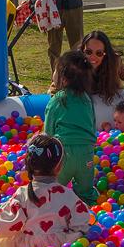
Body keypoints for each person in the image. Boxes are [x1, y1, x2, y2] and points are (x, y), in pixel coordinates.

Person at [0, 133, 92, 247]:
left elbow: (6, 224)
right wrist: (70, 239)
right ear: (59, 167)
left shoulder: (22, 194)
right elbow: (82, 223)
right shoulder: (68, 196)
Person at [44, 50, 98, 203]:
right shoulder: (87, 99)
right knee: (86, 192)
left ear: (63, 77)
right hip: (86, 154)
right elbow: (92, 124)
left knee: (54, 192)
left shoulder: (57, 100)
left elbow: (48, 132)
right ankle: (89, 207)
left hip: (64, 155)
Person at [77, 30, 124, 114]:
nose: (93, 57)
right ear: (82, 51)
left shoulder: (114, 63)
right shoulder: (74, 65)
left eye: (99, 53)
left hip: (114, 111)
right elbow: (62, 91)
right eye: (88, 52)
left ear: (106, 54)